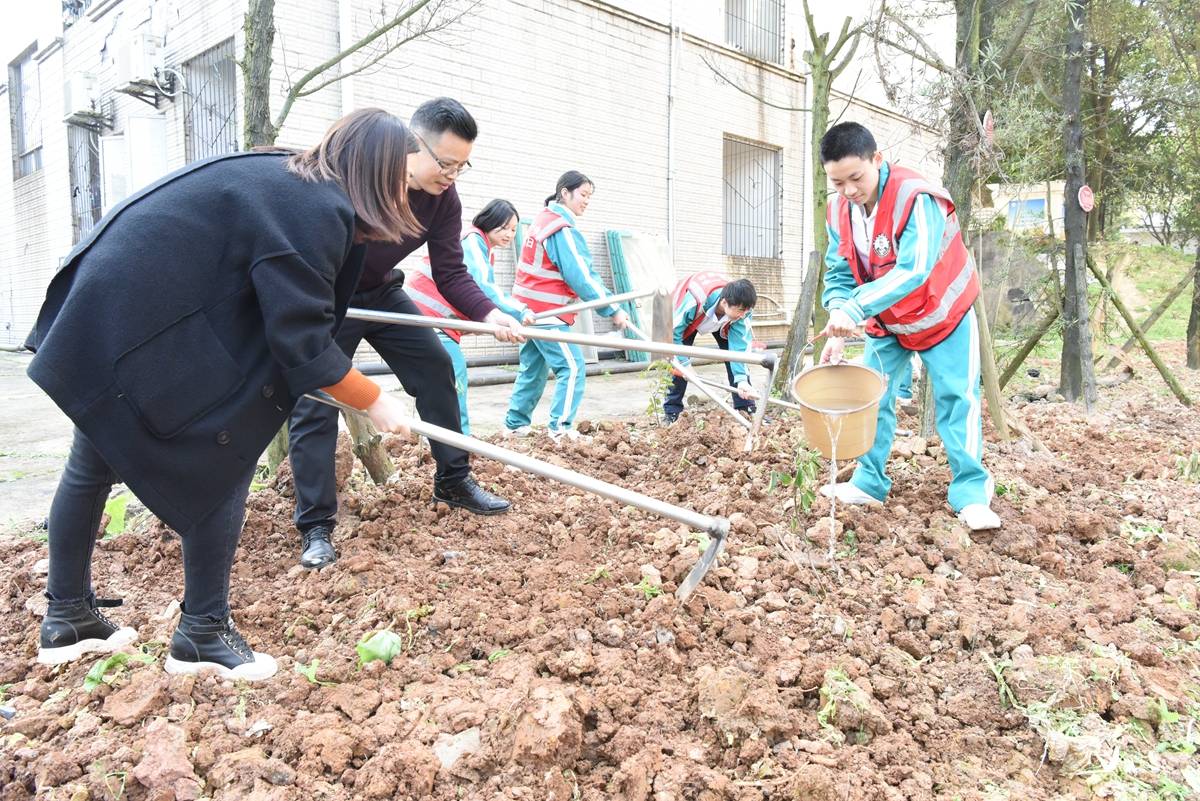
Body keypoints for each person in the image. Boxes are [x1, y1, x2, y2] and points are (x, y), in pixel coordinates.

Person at [25, 108, 419, 681]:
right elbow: (303, 343)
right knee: (224, 451)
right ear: (378, 170)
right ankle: (202, 634)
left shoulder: (288, 178)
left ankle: (67, 617)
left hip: (107, 307)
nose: (403, 193)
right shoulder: (316, 208)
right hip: (138, 318)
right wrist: (374, 400)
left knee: (91, 462)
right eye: (401, 179)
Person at [287, 98, 523, 572]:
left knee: (436, 368)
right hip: (330, 301)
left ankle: (453, 481)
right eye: (445, 162)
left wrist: (491, 313)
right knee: (316, 399)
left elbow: (451, 272)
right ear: (411, 146)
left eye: (463, 165)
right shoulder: (361, 181)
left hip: (381, 295)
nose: (452, 174)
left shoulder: (442, 199)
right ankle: (316, 523)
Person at [816, 121, 1001, 532]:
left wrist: (857, 306)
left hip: (943, 314)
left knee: (957, 399)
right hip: (888, 320)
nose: (848, 190)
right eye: (837, 182)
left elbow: (914, 269)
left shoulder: (917, 197)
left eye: (856, 178)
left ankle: (971, 493)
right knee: (872, 397)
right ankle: (868, 481)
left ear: (876, 160)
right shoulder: (838, 212)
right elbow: (839, 272)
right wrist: (837, 311)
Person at [504, 171, 629, 441]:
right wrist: (613, 309)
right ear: (564, 192)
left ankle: (515, 425)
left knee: (533, 368)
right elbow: (581, 275)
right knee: (571, 367)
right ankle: (560, 430)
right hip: (546, 314)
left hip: (528, 312)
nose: (586, 201)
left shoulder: (542, 220)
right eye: (583, 195)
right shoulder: (560, 228)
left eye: (589, 197)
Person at [406, 199, 534, 435]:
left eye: (514, 229)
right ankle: (459, 444)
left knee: (440, 384)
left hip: (430, 319)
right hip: (431, 318)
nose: (509, 234)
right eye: (504, 227)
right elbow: (484, 287)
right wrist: (519, 310)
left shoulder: (480, 246)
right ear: (489, 221)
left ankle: (444, 442)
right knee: (454, 381)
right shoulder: (473, 241)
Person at [663, 272, 760, 423]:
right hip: (688, 319)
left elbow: (739, 349)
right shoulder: (695, 300)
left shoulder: (742, 311)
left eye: (746, 311)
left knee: (735, 358)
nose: (743, 315)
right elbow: (673, 333)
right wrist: (684, 365)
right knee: (679, 365)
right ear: (724, 302)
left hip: (723, 321)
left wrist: (741, 380)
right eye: (741, 310)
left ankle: (745, 409)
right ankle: (672, 412)